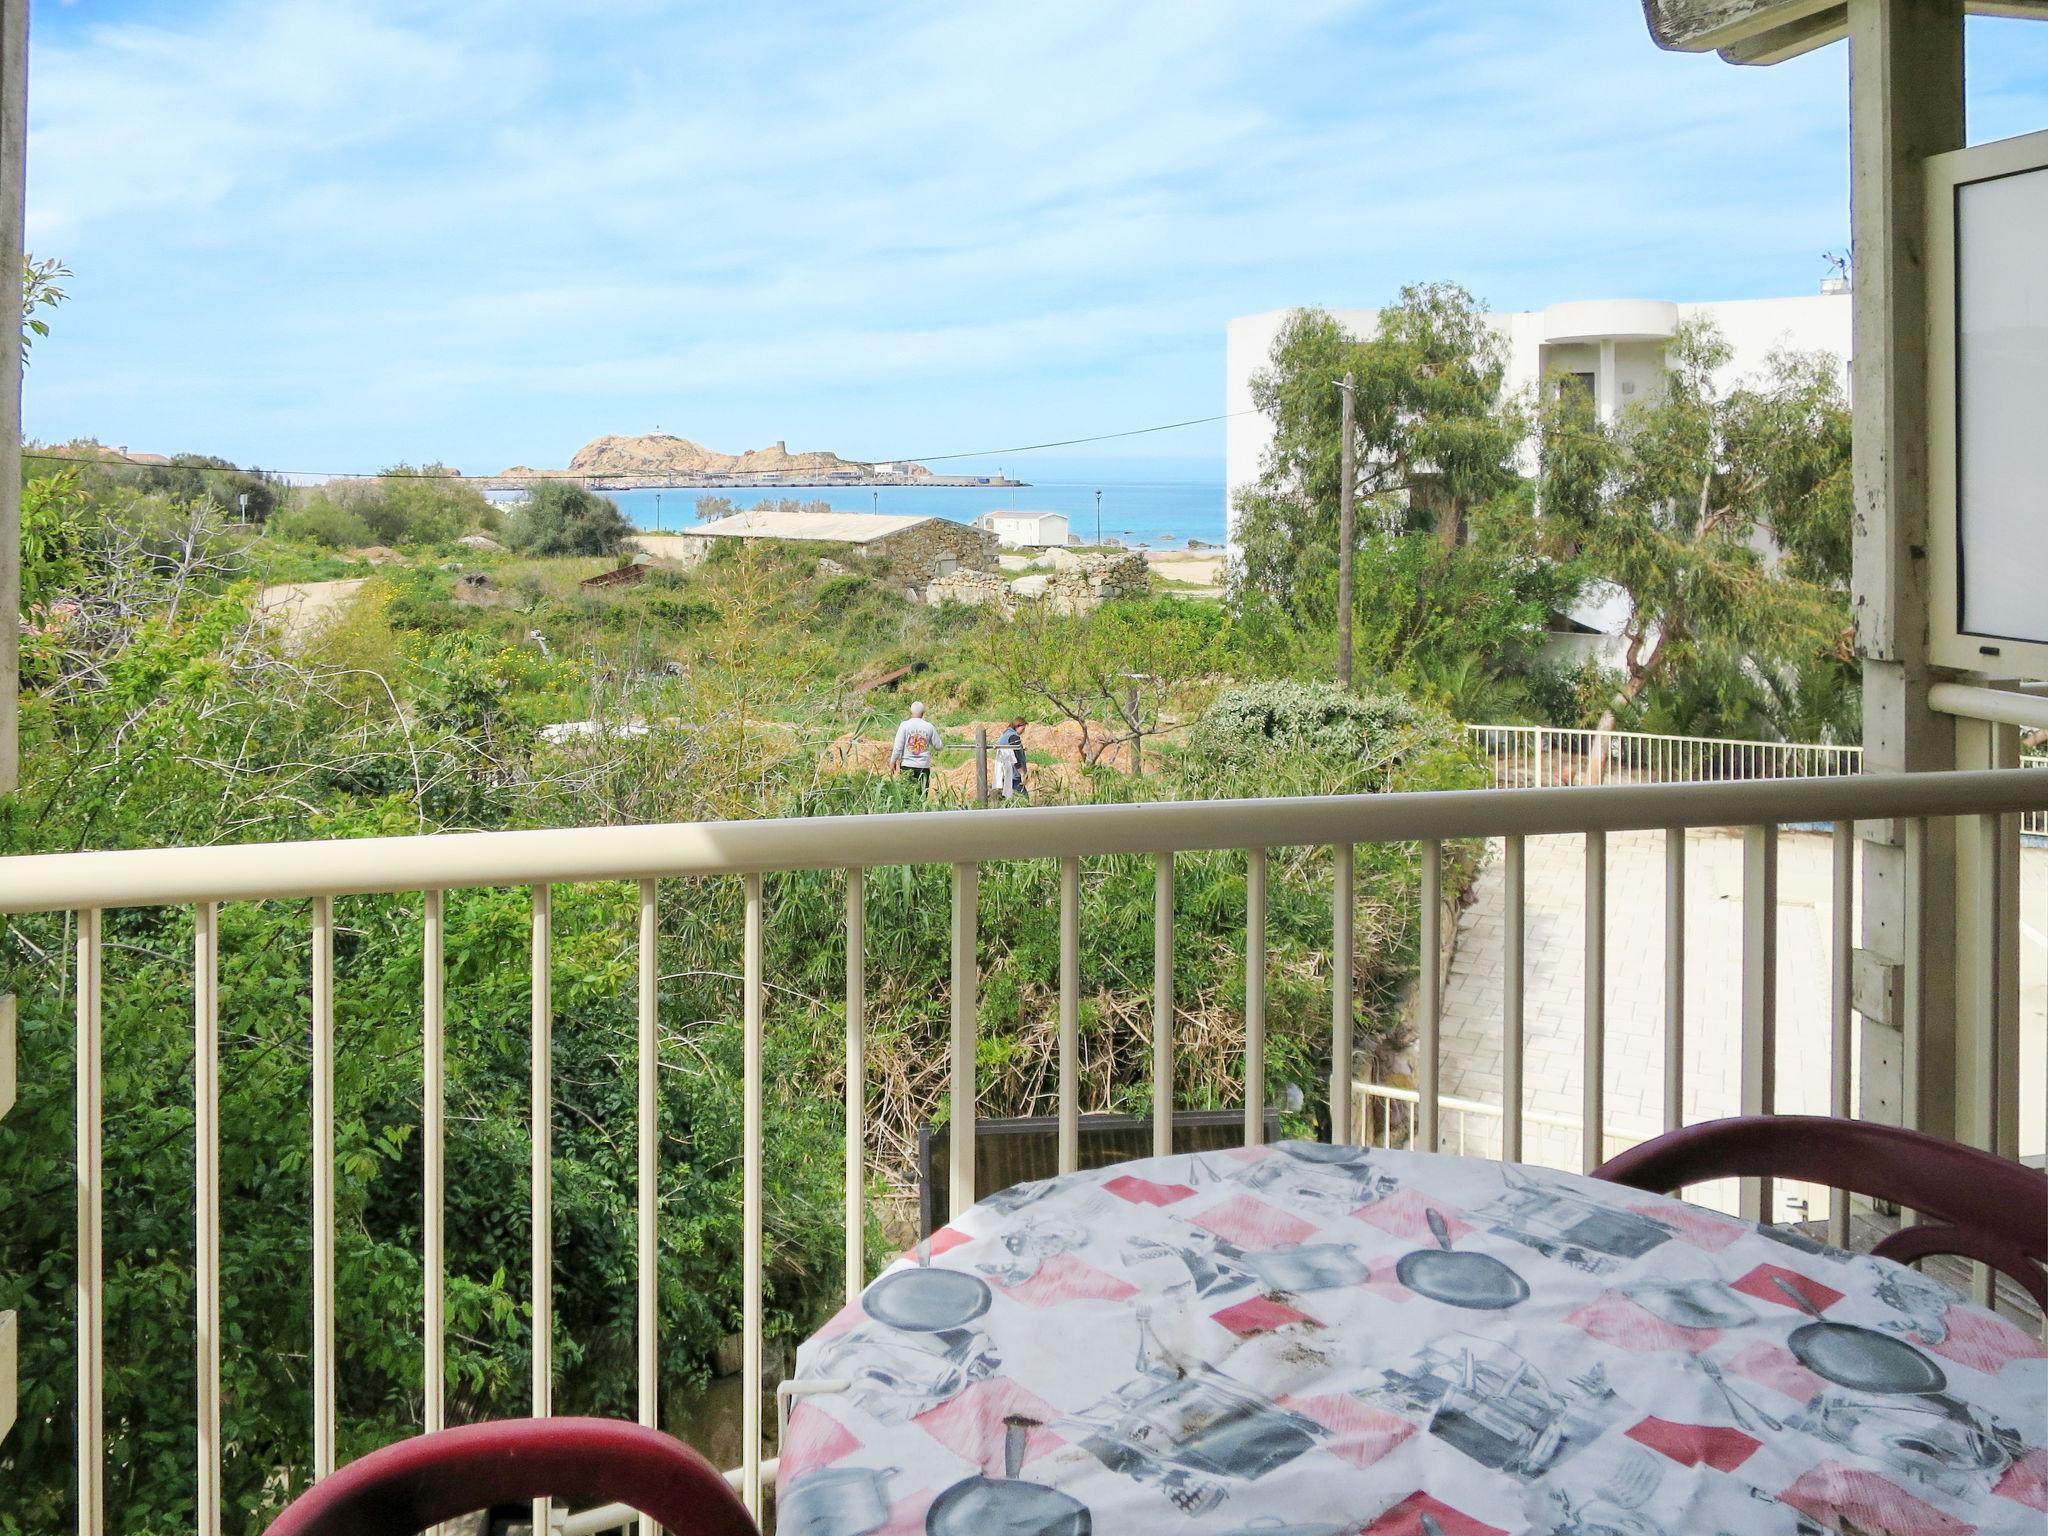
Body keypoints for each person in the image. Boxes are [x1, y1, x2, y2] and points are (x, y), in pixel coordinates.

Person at [889, 701, 941, 792]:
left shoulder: (904, 725)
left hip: (907, 766)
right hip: (923, 766)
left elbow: (898, 747)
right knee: (922, 795)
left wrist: (892, 761)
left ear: (911, 712)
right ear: (923, 713)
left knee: (907, 794)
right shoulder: (929, 727)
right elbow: (939, 746)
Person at [995, 716, 1028, 800]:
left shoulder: (1005, 735)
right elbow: (1014, 756)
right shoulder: (1014, 737)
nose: (1023, 731)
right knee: (1023, 799)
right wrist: (1022, 773)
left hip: (1004, 772)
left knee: (1007, 798)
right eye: (1023, 729)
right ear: (1018, 726)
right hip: (1013, 774)